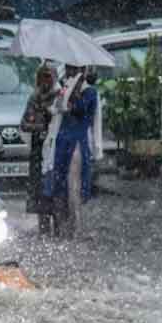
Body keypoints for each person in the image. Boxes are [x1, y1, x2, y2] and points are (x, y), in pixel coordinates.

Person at [44, 64, 100, 238]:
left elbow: (80, 110)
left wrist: (68, 99)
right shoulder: (64, 87)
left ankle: (76, 227)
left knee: (74, 185)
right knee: (59, 183)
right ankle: (62, 226)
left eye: (74, 70)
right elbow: (55, 109)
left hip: (76, 142)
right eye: (68, 69)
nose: (70, 73)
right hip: (61, 142)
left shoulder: (89, 92)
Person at [20, 61, 58, 235]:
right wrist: (40, 126)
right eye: (41, 77)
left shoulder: (59, 96)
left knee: (54, 187)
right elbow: (24, 124)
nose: (44, 81)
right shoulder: (34, 98)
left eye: (48, 77)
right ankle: (43, 228)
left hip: (53, 148)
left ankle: (58, 226)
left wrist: (49, 118)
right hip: (38, 149)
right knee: (38, 188)